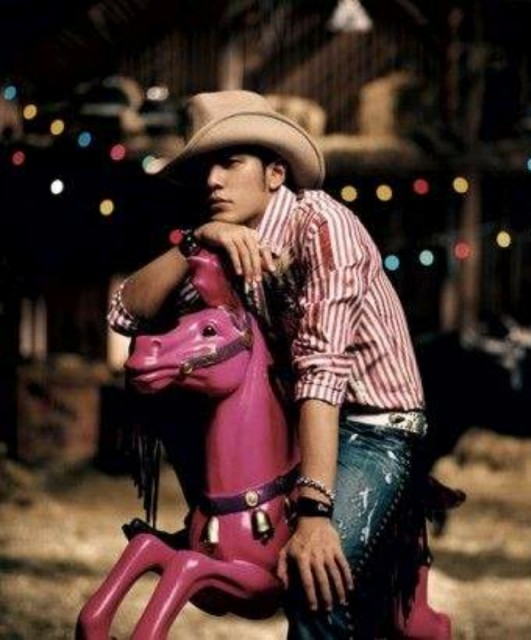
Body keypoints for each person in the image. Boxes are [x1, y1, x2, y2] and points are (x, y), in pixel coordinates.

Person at [107, 90, 428, 639]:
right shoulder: (225, 241)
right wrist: (193, 243)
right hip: (294, 413)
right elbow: (125, 314)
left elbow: (322, 370)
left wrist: (315, 516)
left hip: (371, 426)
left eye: (230, 163)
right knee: (172, 391)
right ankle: (212, 531)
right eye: (205, 168)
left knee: (311, 577)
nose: (213, 181)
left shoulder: (323, 226)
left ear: (275, 173)